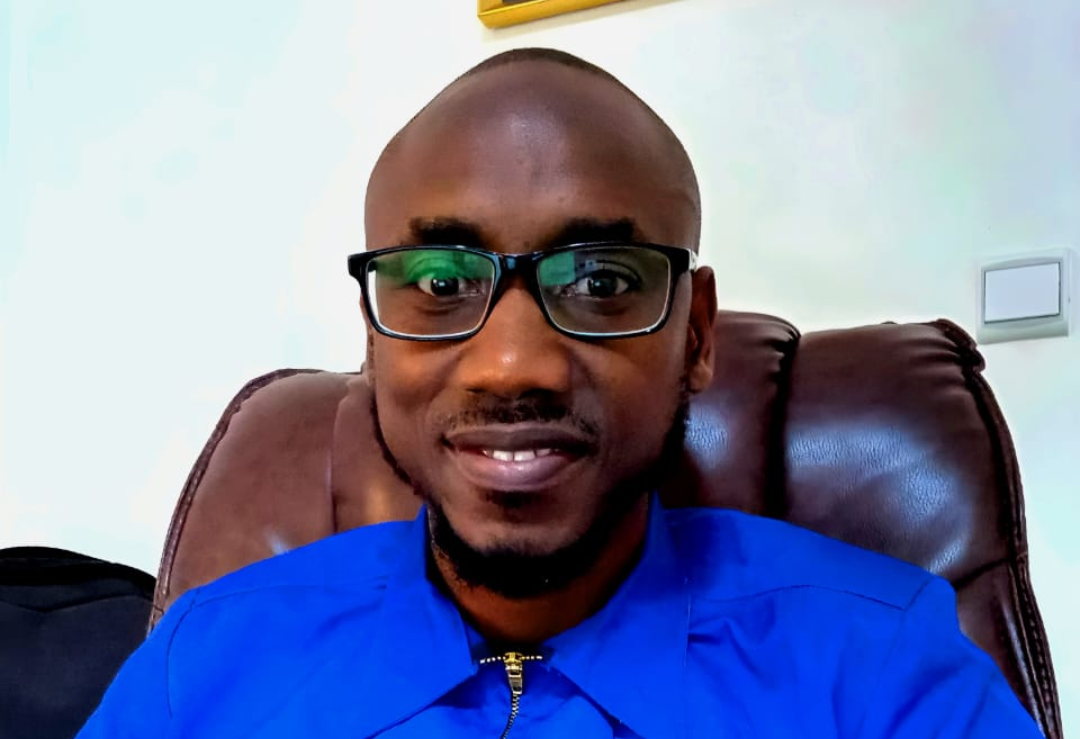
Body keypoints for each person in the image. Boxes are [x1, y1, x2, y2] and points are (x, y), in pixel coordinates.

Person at [77, 48, 1042, 738]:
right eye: (441, 281)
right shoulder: (206, 663)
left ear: (696, 334)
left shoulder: (880, 671)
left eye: (603, 279)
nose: (513, 365)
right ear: (375, 333)